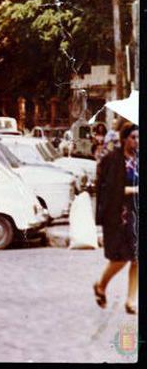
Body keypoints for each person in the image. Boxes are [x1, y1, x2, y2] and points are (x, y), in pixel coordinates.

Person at [94, 123, 138, 315]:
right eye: (133, 137)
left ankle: (130, 300)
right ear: (124, 139)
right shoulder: (113, 160)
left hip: (137, 214)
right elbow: (111, 190)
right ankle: (101, 285)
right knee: (120, 258)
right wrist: (135, 190)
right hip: (119, 215)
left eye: (139, 138)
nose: (137, 141)